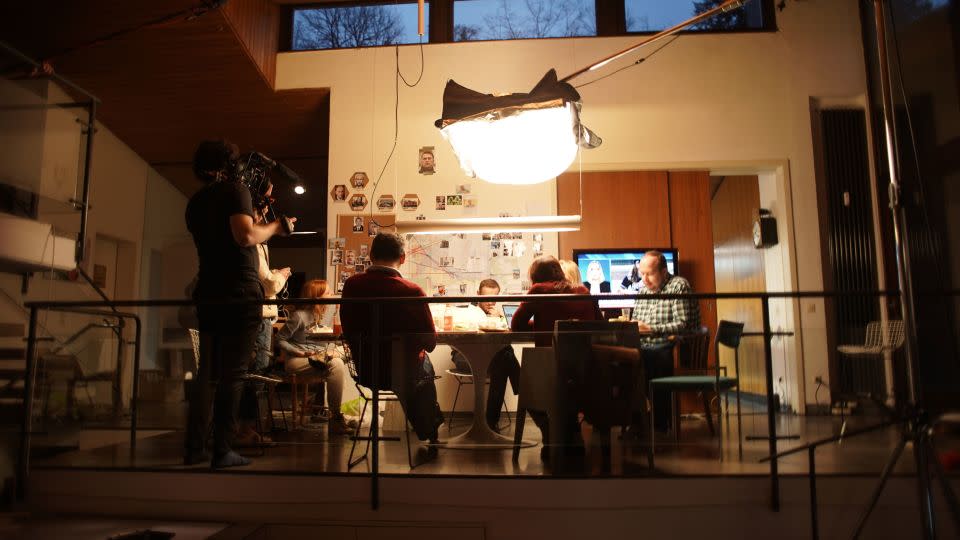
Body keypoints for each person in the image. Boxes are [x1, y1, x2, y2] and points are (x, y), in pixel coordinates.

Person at [184, 139, 295, 469]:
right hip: (239, 294)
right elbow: (245, 236)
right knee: (233, 375)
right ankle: (222, 451)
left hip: (208, 292)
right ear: (229, 163)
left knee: (207, 374)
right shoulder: (235, 191)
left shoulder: (195, 202)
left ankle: (193, 450)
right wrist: (278, 226)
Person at [339, 232, 444, 443]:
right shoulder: (412, 291)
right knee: (423, 365)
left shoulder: (352, 285)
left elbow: (348, 327)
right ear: (403, 257)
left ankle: (427, 426)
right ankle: (429, 430)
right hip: (401, 372)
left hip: (367, 369)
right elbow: (430, 342)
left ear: (370, 255)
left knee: (413, 368)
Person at [511, 256, 599, 461]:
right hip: (583, 369)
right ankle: (571, 433)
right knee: (568, 389)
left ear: (535, 276)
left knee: (526, 387)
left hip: (550, 367)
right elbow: (597, 324)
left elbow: (517, 325)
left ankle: (548, 429)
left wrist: (546, 328)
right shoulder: (583, 291)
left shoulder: (539, 290)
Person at [632, 250, 701, 432]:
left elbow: (683, 324)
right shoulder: (642, 291)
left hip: (674, 344)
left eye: (650, 274)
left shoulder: (678, 286)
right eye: (642, 274)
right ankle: (638, 419)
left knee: (652, 356)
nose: (644, 280)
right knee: (624, 359)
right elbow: (637, 322)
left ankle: (659, 421)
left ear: (664, 272)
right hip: (646, 344)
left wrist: (653, 329)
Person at [275, 279, 356, 435]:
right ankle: (335, 418)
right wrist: (298, 352)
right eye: (328, 292)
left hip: (318, 359)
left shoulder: (323, 315)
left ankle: (326, 357)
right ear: (317, 297)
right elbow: (280, 339)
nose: (332, 294)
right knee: (337, 363)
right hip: (297, 360)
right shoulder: (299, 316)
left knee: (351, 350)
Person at [448, 279, 520, 431]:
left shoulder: (494, 314)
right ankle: (522, 387)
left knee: (504, 360)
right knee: (505, 356)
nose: (490, 303)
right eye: (486, 298)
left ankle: (490, 423)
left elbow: (502, 340)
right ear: (478, 294)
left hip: (487, 358)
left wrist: (499, 318)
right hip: (464, 357)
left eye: (494, 299)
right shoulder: (469, 311)